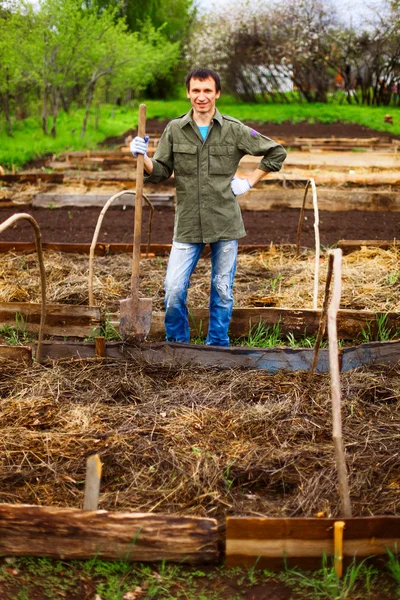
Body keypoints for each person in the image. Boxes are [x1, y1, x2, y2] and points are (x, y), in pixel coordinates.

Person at [130, 67, 286, 347]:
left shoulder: (234, 130)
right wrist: (142, 157)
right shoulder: (175, 130)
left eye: (207, 91)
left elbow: (276, 151)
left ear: (217, 94)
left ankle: (217, 345)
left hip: (224, 221)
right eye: (196, 91)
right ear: (188, 93)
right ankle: (177, 345)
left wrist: (249, 181)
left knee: (222, 289)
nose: (201, 97)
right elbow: (161, 170)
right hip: (188, 223)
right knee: (174, 289)